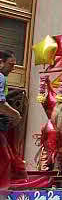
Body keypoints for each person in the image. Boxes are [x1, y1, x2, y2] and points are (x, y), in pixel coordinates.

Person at [0, 50, 24, 189]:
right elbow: (1, 104)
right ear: (1, 62)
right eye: (10, 64)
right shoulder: (1, 77)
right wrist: (16, 115)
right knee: (6, 159)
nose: (13, 68)